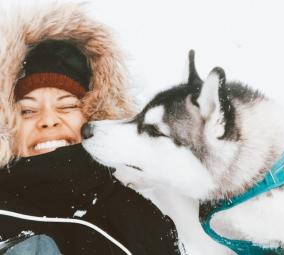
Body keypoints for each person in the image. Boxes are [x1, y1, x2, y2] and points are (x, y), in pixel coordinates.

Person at [0, 3, 180, 255]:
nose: (48, 120)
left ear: (94, 115)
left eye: (67, 106)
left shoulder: (142, 219)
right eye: (28, 110)